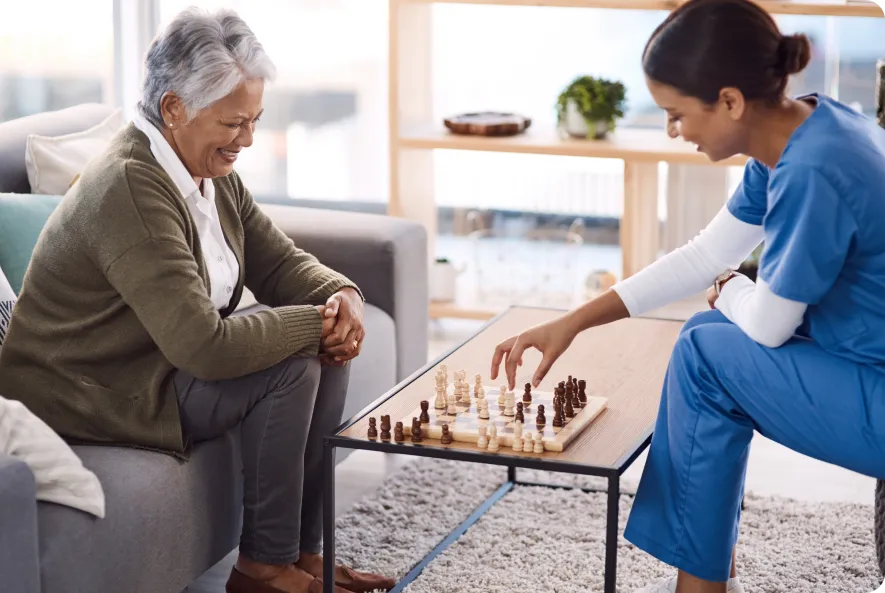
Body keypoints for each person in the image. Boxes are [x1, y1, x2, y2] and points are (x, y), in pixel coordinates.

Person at [490, 0, 885, 591]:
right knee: (705, 336)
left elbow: (769, 325)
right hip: (863, 362)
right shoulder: (806, 129)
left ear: (729, 101)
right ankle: (702, 581)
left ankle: (698, 585)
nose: (674, 132)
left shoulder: (811, 172)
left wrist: (726, 288)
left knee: (705, 354)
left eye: (677, 115)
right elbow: (704, 256)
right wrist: (572, 323)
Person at [0, 8, 395, 593]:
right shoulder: (132, 187)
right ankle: (261, 570)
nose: (249, 139)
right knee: (294, 363)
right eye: (235, 123)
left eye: (255, 120)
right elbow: (203, 348)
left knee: (327, 349)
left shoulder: (205, 169)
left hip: (153, 360)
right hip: (95, 387)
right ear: (174, 108)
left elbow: (276, 259)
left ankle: (301, 555)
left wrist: (339, 296)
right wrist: (314, 325)